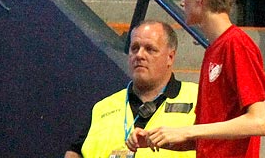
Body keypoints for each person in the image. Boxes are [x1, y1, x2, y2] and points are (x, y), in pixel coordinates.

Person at [129, 0, 265, 156]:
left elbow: (258, 122)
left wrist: (186, 130)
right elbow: (207, 139)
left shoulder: (236, 44)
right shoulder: (214, 49)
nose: (182, 1)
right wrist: (158, 139)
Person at [65, 20, 196, 158]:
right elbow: (75, 151)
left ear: (170, 57)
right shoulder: (103, 107)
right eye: (134, 48)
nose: (139, 55)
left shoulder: (197, 98)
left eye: (150, 49)